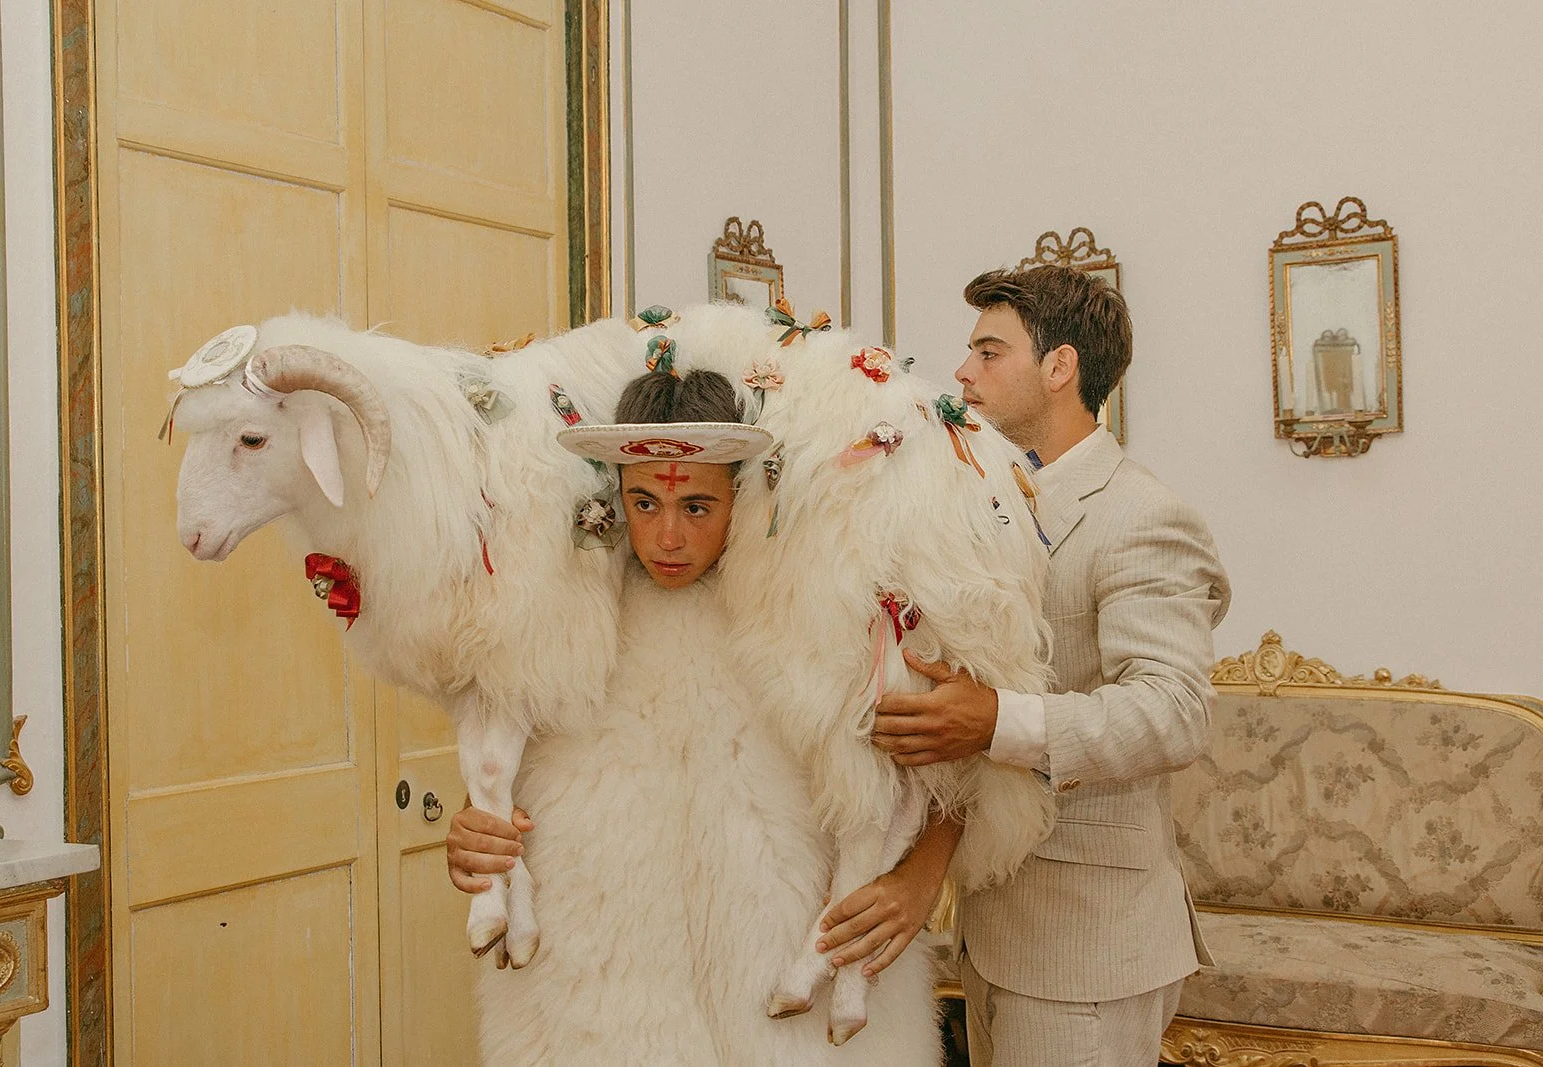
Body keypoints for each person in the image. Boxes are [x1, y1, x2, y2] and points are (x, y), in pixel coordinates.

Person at [445, 369, 941, 1064]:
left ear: (739, 495)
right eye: (644, 502)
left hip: (784, 995)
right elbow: (496, 772)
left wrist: (920, 878)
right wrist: (472, 831)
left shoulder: (808, 613)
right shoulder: (565, 620)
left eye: (698, 507)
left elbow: (940, 765)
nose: (667, 536)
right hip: (602, 993)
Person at [818, 265, 1231, 1066]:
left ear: (1060, 367)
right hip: (992, 931)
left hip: (1091, 946)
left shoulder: (1143, 515)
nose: (963, 373)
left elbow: (1175, 710)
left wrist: (993, 720)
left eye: (988, 351)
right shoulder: (979, 500)